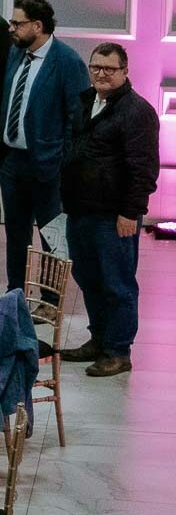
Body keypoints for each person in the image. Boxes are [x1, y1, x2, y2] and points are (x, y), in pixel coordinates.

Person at [59, 43, 155, 377]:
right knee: (88, 278)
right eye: (96, 67)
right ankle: (98, 339)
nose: (101, 74)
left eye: (109, 69)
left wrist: (130, 212)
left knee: (118, 283)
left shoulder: (136, 111)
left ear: (125, 72)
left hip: (114, 215)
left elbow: (143, 169)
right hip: (81, 210)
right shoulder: (85, 102)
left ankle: (118, 350)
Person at [0, 0, 89, 290]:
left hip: (48, 165)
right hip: (11, 161)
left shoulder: (67, 61)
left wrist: (62, 159)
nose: (11, 28)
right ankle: (15, 292)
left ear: (37, 26)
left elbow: (77, 119)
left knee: (53, 236)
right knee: (15, 233)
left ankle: (50, 299)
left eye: (17, 23)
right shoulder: (15, 53)